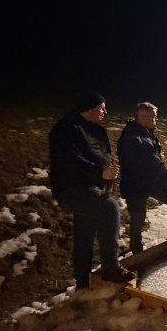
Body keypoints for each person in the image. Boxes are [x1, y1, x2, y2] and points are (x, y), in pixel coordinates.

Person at [48, 91, 135, 288]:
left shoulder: (97, 131)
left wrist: (109, 171)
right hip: (71, 189)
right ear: (88, 109)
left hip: (93, 188)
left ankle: (82, 281)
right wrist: (100, 173)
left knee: (84, 232)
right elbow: (70, 160)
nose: (105, 112)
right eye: (101, 108)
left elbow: (101, 156)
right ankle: (111, 266)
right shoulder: (65, 129)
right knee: (109, 207)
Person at [116, 102, 167, 254]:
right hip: (136, 184)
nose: (155, 119)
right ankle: (137, 252)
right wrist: (155, 158)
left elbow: (152, 156)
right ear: (142, 117)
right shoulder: (130, 136)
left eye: (155, 116)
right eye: (152, 116)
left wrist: (157, 159)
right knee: (138, 218)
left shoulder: (148, 133)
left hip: (155, 181)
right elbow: (135, 161)